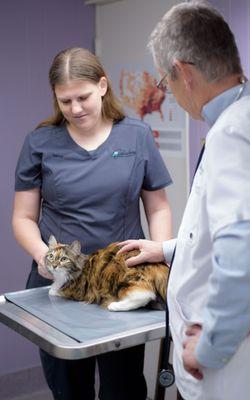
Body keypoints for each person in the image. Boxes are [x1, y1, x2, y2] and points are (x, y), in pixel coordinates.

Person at [118, 2, 250, 399]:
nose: (170, 94)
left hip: (230, 367)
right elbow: (229, 229)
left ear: (183, 72)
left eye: (166, 83)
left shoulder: (235, 130)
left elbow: (248, 247)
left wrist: (209, 347)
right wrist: (167, 249)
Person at [12, 47, 173, 400]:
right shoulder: (40, 142)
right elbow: (23, 217)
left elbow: (158, 208)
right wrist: (43, 256)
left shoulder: (136, 136)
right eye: (65, 101)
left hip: (122, 277)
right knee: (69, 388)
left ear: (102, 86)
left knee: (123, 388)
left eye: (82, 97)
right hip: (59, 283)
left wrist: (158, 256)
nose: (75, 109)